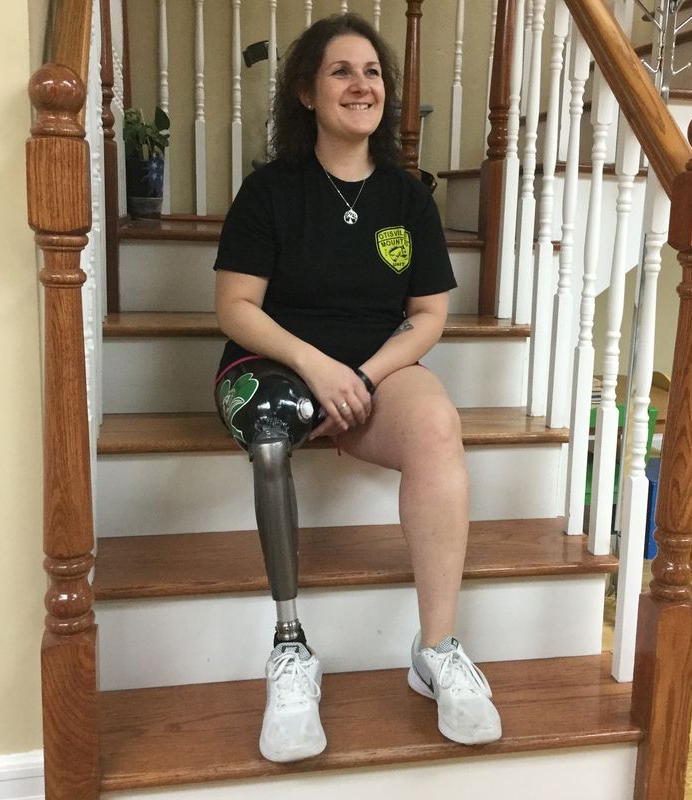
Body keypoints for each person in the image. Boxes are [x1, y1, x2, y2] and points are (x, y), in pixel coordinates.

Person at [213, 13, 502, 763]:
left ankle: (435, 648)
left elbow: (429, 315)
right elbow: (236, 306)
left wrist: (366, 377)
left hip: (374, 371)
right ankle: (290, 649)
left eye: (372, 72)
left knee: (439, 426)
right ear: (308, 92)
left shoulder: (407, 199)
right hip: (277, 365)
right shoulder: (271, 190)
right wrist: (318, 368)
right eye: (341, 71)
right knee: (272, 434)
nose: (360, 84)